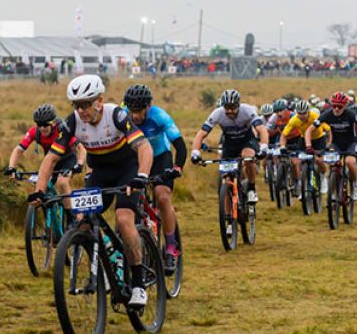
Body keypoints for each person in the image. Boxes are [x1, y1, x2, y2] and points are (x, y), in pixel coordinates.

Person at [29, 74, 152, 308]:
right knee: (83, 222)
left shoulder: (116, 115)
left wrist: (142, 177)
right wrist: (40, 190)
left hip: (128, 170)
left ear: (99, 100)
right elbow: (51, 159)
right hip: (100, 173)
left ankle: (138, 284)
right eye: (77, 105)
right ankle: (105, 266)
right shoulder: (73, 122)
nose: (82, 110)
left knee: (123, 219)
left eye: (86, 104)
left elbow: (143, 147)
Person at [122, 84, 186, 272]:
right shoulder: (123, 116)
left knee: (162, 196)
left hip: (160, 158)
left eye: (139, 111)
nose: (135, 116)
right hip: (136, 159)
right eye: (132, 111)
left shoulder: (159, 116)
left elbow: (180, 146)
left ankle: (171, 246)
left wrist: (177, 167)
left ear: (148, 106)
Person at [191, 89, 268, 204]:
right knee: (227, 180)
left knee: (248, 158)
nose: (230, 111)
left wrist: (264, 147)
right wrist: (195, 152)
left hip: (247, 141)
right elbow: (202, 133)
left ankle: (251, 188)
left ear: (238, 105)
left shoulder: (247, 110)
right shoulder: (218, 113)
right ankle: (228, 218)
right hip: (229, 144)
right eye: (227, 107)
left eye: (233, 107)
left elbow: (261, 129)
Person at [5, 103, 84, 207]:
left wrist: (79, 163)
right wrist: (11, 167)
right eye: (39, 124)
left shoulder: (62, 130)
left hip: (67, 159)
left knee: (62, 182)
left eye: (46, 125)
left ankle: (72, 217)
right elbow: (18, 150)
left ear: (54, 123)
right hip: (50, 161)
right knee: (41, 187)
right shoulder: (35, 132)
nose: (42, 128)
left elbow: (80, 148)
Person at [305, 91, 357, 201]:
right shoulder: (327, 114)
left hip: (350, 143)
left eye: (339, 107)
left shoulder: (351, 114)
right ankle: (334, 189)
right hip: (335, 144)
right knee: (333, 165)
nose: (336, 109)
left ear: (345, 106)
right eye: (334, 106)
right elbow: (309, 130)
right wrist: (308, 146)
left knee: (349, 162)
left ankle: (356, 185)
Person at [279, 99, 329, 196]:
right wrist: (282, 146)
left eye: (304, 113)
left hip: (319, 140)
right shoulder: (294, 120)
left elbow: (328, 129)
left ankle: (323, 178)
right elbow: (284, 135)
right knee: (296, 162)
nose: (302, 116)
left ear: (308, 112)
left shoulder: (315, 117)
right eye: (299, 113)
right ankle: (300, 184)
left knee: (319, 161)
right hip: (303, 140)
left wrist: (329, 143)